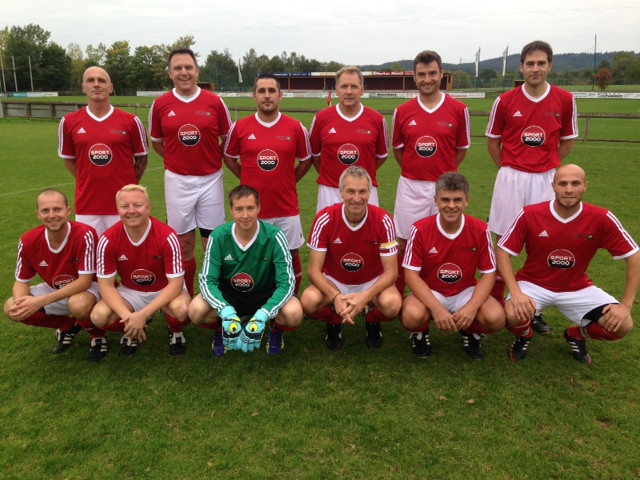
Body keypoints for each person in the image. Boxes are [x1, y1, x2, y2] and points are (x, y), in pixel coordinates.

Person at [496, 164, 639, 364]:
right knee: (512, 313)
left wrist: (625, 305)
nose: (569, 189)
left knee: (623, 325)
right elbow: (503, 251)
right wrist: (516, 292)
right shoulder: (530, 214)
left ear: (585, 186)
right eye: (563, 183)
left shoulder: (602, 218)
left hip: (577, 287)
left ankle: (576, 334)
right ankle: (525, 334)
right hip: (533, 283)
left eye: (575, 183)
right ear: (553, 186)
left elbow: (634, 256)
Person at [486, 40, 579, 333]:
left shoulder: (565, 99)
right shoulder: (505, 101)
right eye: (530, 63)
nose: (535, 68)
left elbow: (567, 141)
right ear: (522, 67)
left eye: (541, 63)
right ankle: (494, 300)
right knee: (502, 239)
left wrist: (547, 165)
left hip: (545, 178)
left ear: (550, 65)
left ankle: (532, 307)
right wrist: (511, 166)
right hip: (511, 175)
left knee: (543, 241)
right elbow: (492, 142)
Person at [149, 48, 232, 297]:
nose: (183, 72)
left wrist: (210, 158)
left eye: (188, 67)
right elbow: (157, 141)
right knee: (183, 244)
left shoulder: (215, 102)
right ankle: (185, 295)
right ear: (170, 73)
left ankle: (213, 296)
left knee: (213, 244)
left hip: (211, 180)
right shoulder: (161, 104)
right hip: (177, 182)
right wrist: (177, 161)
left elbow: (228, 138)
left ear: (197, 71)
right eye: (178, 68)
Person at [223, 74, 312, 294]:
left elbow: (306, 160)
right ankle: (256, 299)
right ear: (254, 96)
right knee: (252, 256)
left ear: (280, 95)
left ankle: (290, 300)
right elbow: (229, 158)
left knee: (290, 254)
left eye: (272, 91)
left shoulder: (295, 127)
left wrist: (289, 179)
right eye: (261, 91)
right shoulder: (240, 127)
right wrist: (247, 179)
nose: (267, 96)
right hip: (252, 209)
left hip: (286, 207)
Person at [188, 185, 302, 356]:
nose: (245, 215)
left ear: (259, 208)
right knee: (196, 310)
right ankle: (223, 328)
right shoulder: (218, 236)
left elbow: (286, 283)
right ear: (231, 210)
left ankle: (274, 327)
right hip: (230, 295)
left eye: (250, 208)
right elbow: (207, 280)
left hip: (265, 294)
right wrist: (225, 310)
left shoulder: (275, 236)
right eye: (239, 209)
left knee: (294, 314)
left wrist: (264, 314)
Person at [400, 173, 505, 359]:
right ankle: (420, 333)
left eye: (457, 200)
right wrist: (437, 309)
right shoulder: (420, 229)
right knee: (411, 316)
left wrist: (472, 307)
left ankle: (472, 332)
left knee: (495, 318)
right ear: (436, 201)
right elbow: (411, 275)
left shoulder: (481, 230)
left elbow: (489, 274)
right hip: (432, 290)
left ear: (467, 201)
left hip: (465, 291)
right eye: (445, 200)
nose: (451, 206)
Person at [392, 50, 471, 296]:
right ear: (414, 77)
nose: (427, 79)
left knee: (442, 241)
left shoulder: (459, 109)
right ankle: (398, 293)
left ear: (441, 75)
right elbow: (399, 151)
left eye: (432, 73)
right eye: (421, 74)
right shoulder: (402, 111)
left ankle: (435, 292)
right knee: (404, 242)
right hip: (411, 186)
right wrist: (417, 170)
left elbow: (460, 150)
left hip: (444, 189)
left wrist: (441, 176)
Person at [301, 166, 402, 350]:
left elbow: (392, 272)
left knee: (392, 304)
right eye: (351, 191)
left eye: (362, 191)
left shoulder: (383, 220)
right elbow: (313, 271)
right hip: (335, 282)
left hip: (371, 281)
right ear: (340, 192)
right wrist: (336, 296)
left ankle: (372, 318)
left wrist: (366, 296)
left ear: (370, 192)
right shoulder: (325, 218)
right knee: (308, 301)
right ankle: (334, 319)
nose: (357, 198)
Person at [90, 185, 191, 360]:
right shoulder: (108, 239)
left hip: (164, 290)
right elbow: (105, 286)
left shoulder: (167, 236)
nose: (131, 211)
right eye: (125, 206)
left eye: (137, 205)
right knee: (98, 316)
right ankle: (132, 330)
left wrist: (143, 314)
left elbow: (176, 285)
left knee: (182, 310)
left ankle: (175, 331)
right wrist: (128, 317)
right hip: (131, 292)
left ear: (148, 207)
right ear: (118, 209)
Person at [4, 189, 100, 355]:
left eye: (57, 209)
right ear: (38, 214)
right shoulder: (28, 240)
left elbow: (85, 281)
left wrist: (40, 302)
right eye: (45, 210)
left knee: (78, 305)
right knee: (12, 307)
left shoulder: (85, 234)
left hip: (89, 288)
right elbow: (21, 280)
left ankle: (97, 336)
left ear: (68, 211)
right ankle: (67, 326)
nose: (52, 215)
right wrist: (22, 304)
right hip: (56, 288)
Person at [58, 66, 149, 236]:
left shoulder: (131, 121)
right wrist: (88, 179)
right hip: (87, 206)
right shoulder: (69, 122)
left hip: (124, 205)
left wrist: (128, 185)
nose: (96, 84)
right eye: (91, 80)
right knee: (91, 257)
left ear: (111, 88)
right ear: (83, 87)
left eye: (102, 81)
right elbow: (69, 160)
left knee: (124, 257)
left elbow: (142, 159)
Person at [309, 66, 389, 212]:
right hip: (330, 191)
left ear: (362, 90)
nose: (349, 92)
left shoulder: (377, 120)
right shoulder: (321, 118)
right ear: (336, 89)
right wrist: (330, 174)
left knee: (367, 234)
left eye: (354, 87)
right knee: (329, 234)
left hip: (365, 191)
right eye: (344, 86)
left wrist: (360, 176)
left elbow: (381, 156)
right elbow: (314, 155)